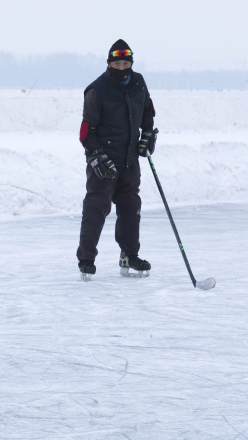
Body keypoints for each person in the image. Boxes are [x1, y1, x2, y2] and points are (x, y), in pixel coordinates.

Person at [76, 39, 156, 281]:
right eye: (117, 63)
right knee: (96, 208)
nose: (122, 67)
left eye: (126, 62)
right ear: (109, 63)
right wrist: (97, 156)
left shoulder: (138, 83)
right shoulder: (97, 90)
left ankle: (129, 255)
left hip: (130, 161)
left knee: (131, 208)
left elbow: (148, 111)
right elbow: (86, 131)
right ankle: (86, 259)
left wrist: (148, 135)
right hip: (104, 164)